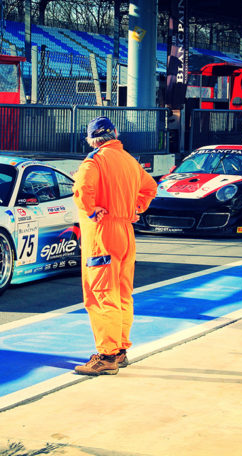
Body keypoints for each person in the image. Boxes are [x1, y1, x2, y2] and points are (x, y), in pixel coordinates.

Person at [72, 116, 158, 375]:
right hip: (125, 232)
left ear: (91, 139)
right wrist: (137, 207)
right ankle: (119, 350)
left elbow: (81, 190)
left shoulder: (94, 161)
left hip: (102, 234)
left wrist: (90, 210)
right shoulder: (131, 162)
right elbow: (151, 187)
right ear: (115, 134)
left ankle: (107, 355)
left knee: (100, 294)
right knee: (122, 293)